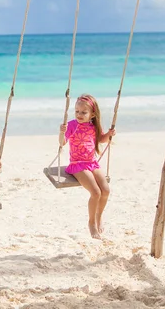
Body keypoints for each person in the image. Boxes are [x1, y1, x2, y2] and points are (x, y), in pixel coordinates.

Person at [59, 94, 116, 239]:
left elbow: (101, 139)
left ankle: (98, 217)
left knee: (106, 190)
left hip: (92, 163)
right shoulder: (72, 125)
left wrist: (109, 134)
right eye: (77, 111)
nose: (79, 114)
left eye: (83, 112)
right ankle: (91, 223)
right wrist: (62, 132)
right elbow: (62, 143)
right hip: (77, 165)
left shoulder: (93, 126)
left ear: (92, 114)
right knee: (95, 192)